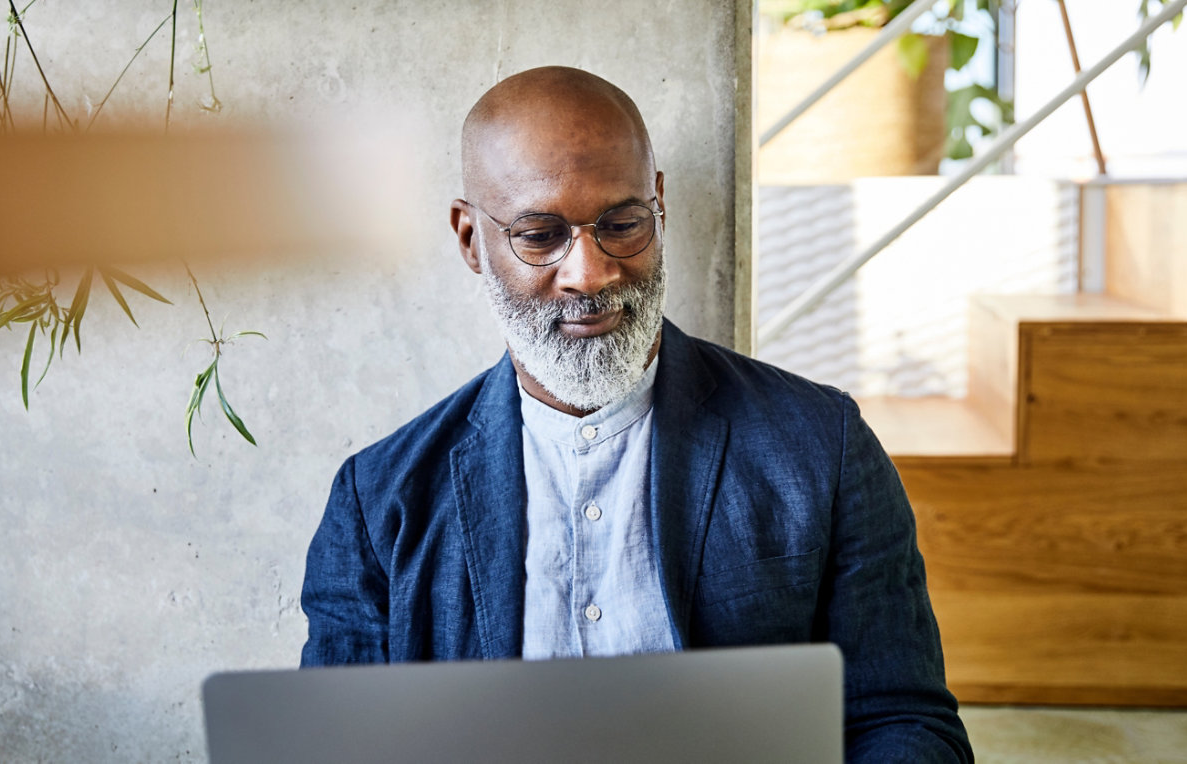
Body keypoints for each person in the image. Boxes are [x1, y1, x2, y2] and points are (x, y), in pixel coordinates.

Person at [301, 66, 972, 761]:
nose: (589, 274)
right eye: (539, 236)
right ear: (471, 239)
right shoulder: (377, 503)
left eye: (621, 224)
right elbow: (339, 747)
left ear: (659, 207)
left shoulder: (821, 447)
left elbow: (902, 720)